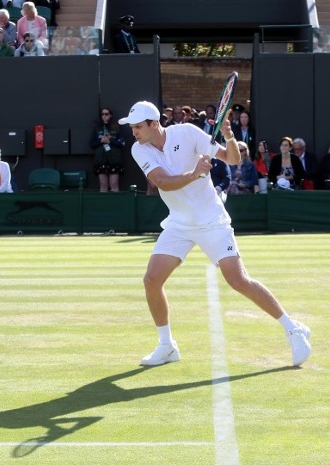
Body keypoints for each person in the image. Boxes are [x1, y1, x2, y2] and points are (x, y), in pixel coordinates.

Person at [117, 101, 311, 367]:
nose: (134, 132)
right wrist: (194, 173)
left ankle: (293, 328)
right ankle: (167, 345)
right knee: (152, 279)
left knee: (238, 280)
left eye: (138, 126)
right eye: (132, 127)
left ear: (154, 124)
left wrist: (230, 137)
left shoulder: (187, 132)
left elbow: (232, 158)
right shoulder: (139, 149)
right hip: (179, 223)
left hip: (211, 220)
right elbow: (162, 182)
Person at [90, 107, 125, 192]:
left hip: (114, 159)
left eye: (106, 114)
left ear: (111, 115)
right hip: (101, 159)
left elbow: (122, 143)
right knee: (103, 185)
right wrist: (101, 141)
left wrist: (110, 141)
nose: (104, 116)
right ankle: (103, 204)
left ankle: (116, 204)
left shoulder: (117, 127)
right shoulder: (97, 127)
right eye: (102, 114)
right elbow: (91, 144)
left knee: (114, 185)